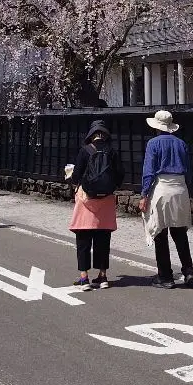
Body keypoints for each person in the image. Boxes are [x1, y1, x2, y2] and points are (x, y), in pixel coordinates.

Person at [139, 109, 193, 289]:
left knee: (161, 233)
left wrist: (144, 195)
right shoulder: (181, 144)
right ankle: (188, 271)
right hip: (180, 189)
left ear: (156, 127)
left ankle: (166, 276)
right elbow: (188, 170)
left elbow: (149, 172)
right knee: (180, 233)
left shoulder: (153, 144)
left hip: (162, 188)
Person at [68, 119, 124, 290]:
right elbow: (120, 175)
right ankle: (103, 276)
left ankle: (84, 278)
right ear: (105, 134)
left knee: (83, 238)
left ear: (91, 135)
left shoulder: (85, 151)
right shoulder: (112, 152)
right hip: (106, 200)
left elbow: (76, 176)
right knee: (103, 239)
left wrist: (73, 177)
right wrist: (110, 187)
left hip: (87, 200)